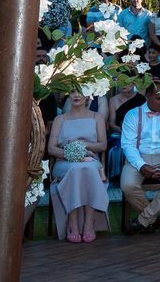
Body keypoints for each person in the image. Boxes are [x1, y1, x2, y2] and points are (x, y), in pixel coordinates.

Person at [120, 81, 160, 233]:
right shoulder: (132, 114)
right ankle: (152, 220)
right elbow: (128, 145)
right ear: (147, 96)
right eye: (159, 98)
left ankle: (143, 220)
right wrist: (141, 165)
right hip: (138, 156)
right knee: (127, 185)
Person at [47, 90, 110, 242]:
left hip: (90, 161)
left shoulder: (97, 117)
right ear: (68, 95)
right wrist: (72, 154)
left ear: (88, 96)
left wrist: (83, 145)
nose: (76, 96)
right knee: (76, 169)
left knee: (88, 168)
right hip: (65, 163)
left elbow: (103, 145)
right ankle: (73, 220)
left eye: (81, 92)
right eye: (73, 92)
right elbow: (51, 149)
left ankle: (89, 221)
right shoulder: (60, 119)